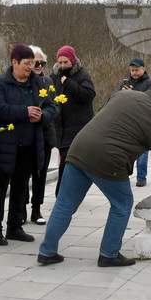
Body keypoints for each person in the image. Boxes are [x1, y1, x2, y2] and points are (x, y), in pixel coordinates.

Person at [37, 84, 151, 268]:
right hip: (107, 159)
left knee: (64, 205)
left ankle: (46, 252)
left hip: (79, 148)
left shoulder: (124, 95)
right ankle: (109, 254)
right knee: (122, 203)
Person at [0, 44, 56, 245]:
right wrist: (24, 112)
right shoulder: (1, 83)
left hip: (29, 147)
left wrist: (42, 116)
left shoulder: (38, 84)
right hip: (4, 147)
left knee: (21, 188)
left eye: (33, 63)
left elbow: (52, 107)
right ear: (14, 62)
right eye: (27, 63)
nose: (30, 67)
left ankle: (14, 227)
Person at [52, 45, 96, 197]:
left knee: (68, 162)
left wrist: (70, 84)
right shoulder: (55, 76)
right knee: (66, 161)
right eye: (60, 62)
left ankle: (61, 195)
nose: (63, 65)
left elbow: (89, 95)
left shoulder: (82, 75)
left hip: (78, 127)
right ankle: (67, 194)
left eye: (66, 62)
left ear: (72, 60)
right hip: (61, 127)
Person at [28, 46, 57, 225]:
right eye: (35, 63)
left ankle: (36, 209)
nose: (39, 66)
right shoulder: (22, 82)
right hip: (25, 136)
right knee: (22, 175)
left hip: (44, 134)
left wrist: (42, 116)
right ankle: (20, 209)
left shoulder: (48, 82)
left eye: (42, 63)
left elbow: (55, 107)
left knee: (41, 174)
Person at [117, 57, 151, 187]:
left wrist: (132, 94)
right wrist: (123, 94)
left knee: (143, 152)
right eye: (132, 70)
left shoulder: (150, 83)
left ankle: (141, 177)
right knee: (126, 150)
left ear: (143, 69)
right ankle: (125, 175)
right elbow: (116, 99)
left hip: (143, 120)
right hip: (127, 120)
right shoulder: (124, 84)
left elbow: (149, 99)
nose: (134, 72)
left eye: (137, 70)